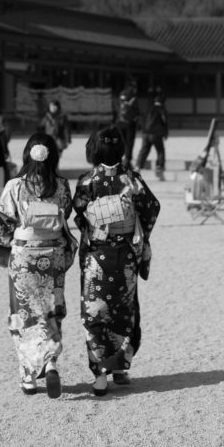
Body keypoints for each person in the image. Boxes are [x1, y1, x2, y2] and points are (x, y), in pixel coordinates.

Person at [0, 131, 75, 398]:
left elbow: (0, 224)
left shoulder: (15, 186)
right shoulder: (62, 186)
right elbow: (66, 214)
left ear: (27, 155)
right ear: (53, 157)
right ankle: (51, 361)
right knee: (51, 310)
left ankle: (29, 376)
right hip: (53, 256)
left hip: (24, 257)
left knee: (24, 313)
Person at [73, 124, 160, 396]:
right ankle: (121, 368)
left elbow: (78, 214)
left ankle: (100, 375)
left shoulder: (87, 181)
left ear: (93, 150)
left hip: (97, 258)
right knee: (123, 311)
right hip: (125, 258)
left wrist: (94, 222)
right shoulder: (132, 180)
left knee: (95, 313)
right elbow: (151, 208)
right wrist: (138, 232)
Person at [134, 95, 169, 179]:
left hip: (145, 133)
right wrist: (165, 132)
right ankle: (159, 167)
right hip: (156, 133)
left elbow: (142, 119)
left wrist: (142, 129)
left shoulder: (149, 108)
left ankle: (138, 166)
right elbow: (164, 120)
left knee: (144, 150)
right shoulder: (161, 109)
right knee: (160, 150)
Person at [116, 84, 139, 167]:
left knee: (121, 142)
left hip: (120, 122)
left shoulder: (121, 94)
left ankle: (119, 159)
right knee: (129, 142)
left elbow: (117, 107)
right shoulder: (133, 96)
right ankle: (127, 160)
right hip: (129, 123)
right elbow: (136, 110)